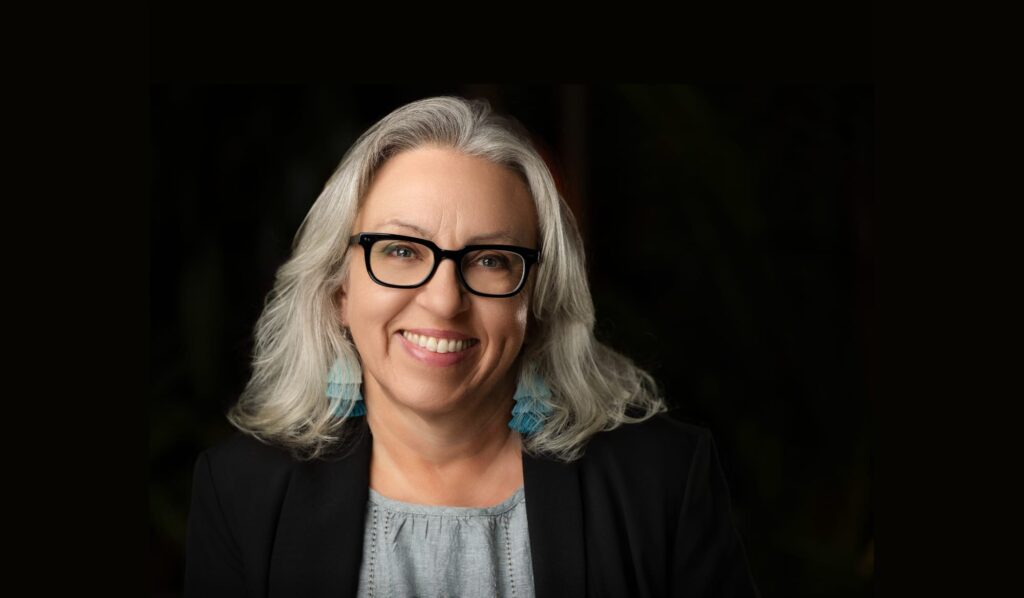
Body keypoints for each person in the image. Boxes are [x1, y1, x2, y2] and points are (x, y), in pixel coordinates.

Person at [184, 95, 760, 597]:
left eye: (490, 260)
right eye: (402, 250)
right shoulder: (240, 493)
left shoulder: (662, 482)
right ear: (339, 289)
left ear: (536, 301)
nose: (443, 301)